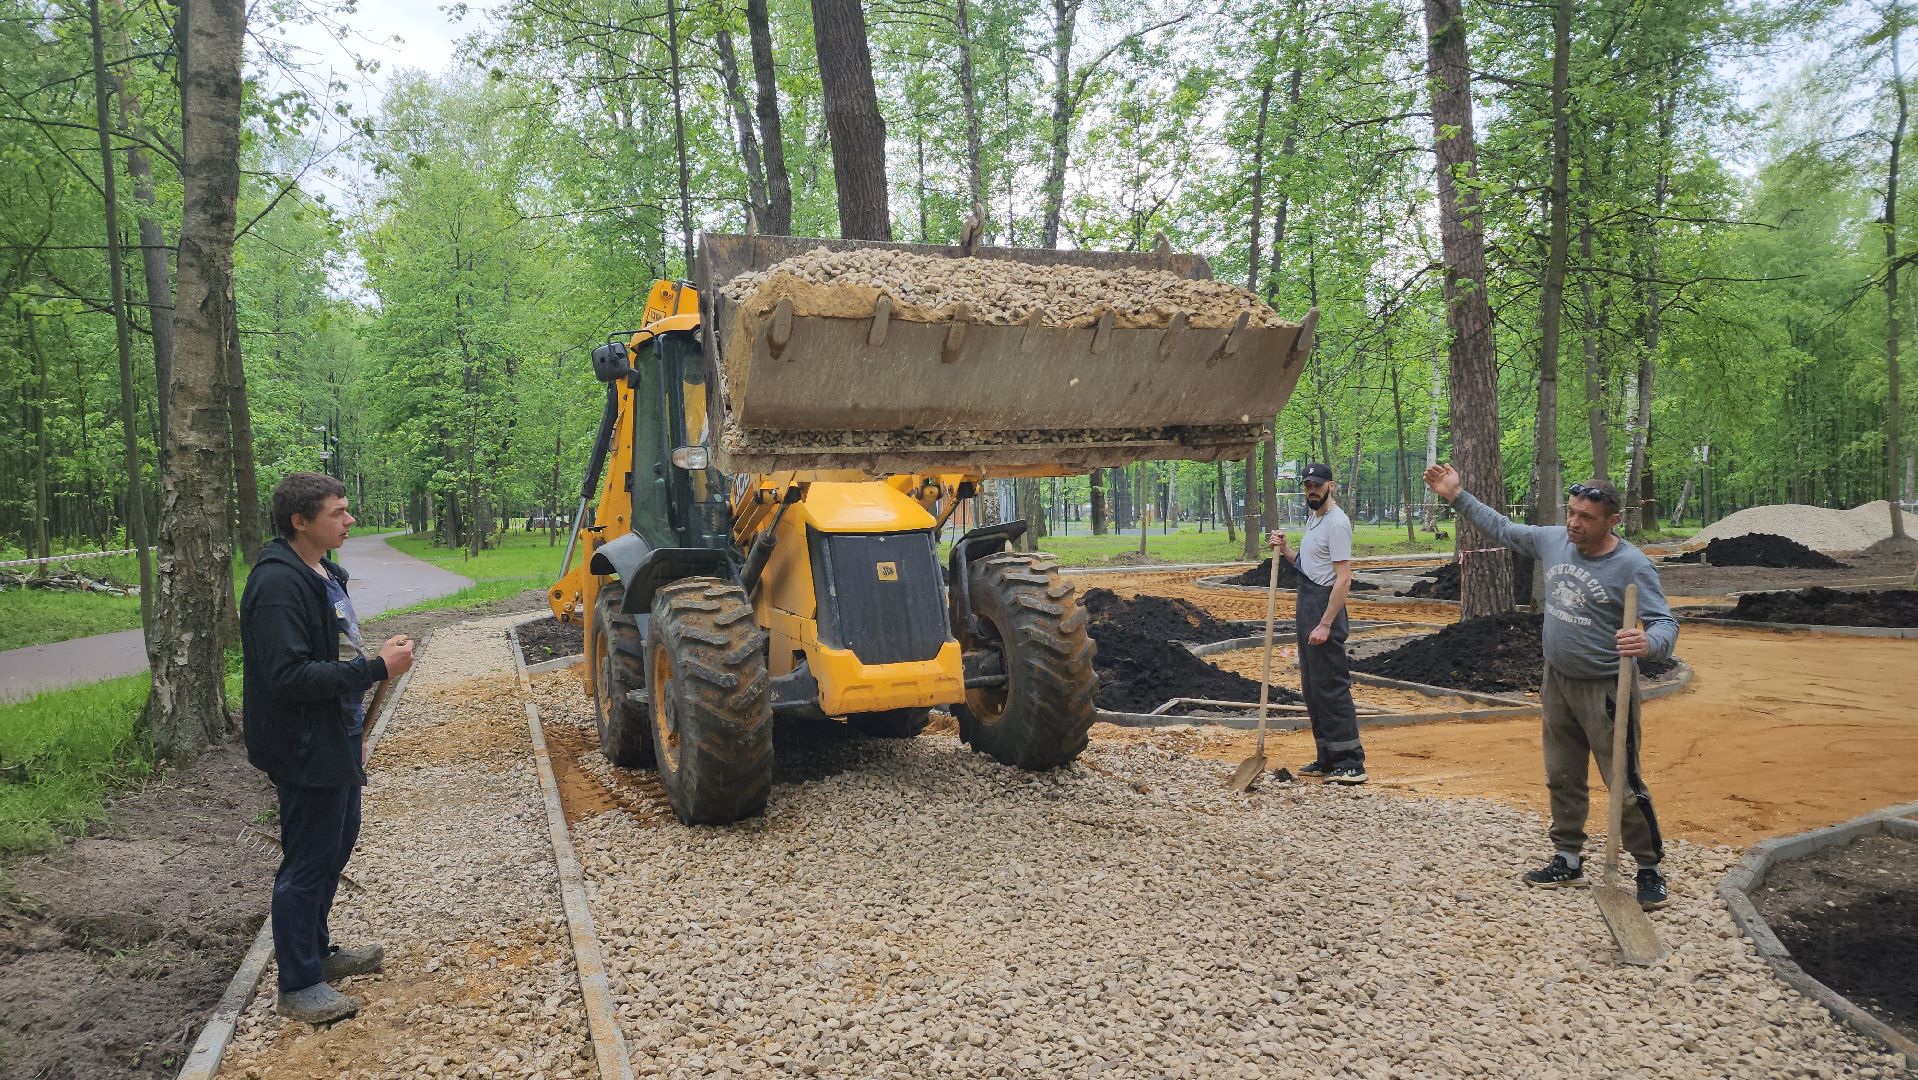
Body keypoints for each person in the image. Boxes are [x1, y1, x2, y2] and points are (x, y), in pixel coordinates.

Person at [1422, 464, 1678, 910]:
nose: (1574, 523)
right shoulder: (1555, 540)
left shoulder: (1632, 566)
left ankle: (1648, 868)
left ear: (1612, 521)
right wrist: (1457, 496)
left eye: (1586, 517)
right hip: (1557, 680)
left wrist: (1648, 642)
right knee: (1562, 772)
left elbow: (1664, 624)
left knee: (1622, 779)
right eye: (1572, 512)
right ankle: (1567, 856)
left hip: (1606, 689)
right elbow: (1502, 527)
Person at [241, 471, 416, 1023]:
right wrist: (373, 669)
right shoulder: (276, 586)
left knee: (335, 846)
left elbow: (331, 647)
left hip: (333, 733)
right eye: (338, 512)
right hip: (302, 743)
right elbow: (285, 676)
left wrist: (368, 671)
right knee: (309, 860)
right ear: (300, 520)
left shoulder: (319, 572)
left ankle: (316, 954)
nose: (350, 520)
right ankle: (297, 985)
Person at [1267, 462, 1367, 784]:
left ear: (1331, 486)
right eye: (1308, 484)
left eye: (1318, 485)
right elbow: (1306, 565)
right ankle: (1327, 757)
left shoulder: (1336, 523)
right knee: (1312, 688)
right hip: (1307, 604)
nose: (1312, 489)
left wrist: (1325, 623)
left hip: (1324, 610)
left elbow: (1343, 579)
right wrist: (1284, 550)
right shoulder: (1314, 518)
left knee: (1331, 687)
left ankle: (1351, 762)